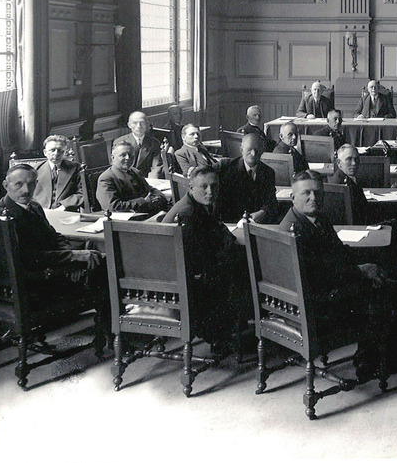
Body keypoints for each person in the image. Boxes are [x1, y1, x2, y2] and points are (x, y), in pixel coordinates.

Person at [279, 170, 397, 375]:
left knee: (385, 282)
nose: (314, 198)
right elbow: (319, 276)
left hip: (321, 291)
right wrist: (361, 271)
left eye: (318, 193)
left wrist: (367, 264)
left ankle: (376, 354)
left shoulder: (318, 219)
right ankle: (371, 361)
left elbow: (338, 254)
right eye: (306, 193)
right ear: (293, 197)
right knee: (387, 290)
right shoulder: (293, 231)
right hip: (315, 305)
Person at [162, 166, 251, 349]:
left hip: (192, 268)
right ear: (191, 187)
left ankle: (233, 326)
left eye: (214, 186)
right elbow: (202, 256)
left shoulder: (200, 204)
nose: (210, 192)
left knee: (240, 260)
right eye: (204, 187)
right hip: (181, 278)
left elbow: (218, 232)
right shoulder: (187, 213)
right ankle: (219, 335)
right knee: (240, 266)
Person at [0, 164, 105, 276]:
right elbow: (26, 259)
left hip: (52, 264)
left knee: (99, 258)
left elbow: (54, 236)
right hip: (33, 276)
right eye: (18, 184)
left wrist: (72, 259)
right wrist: (72, 256)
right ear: (6, 185)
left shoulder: (35, 206)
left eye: (31, 184)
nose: (26, 190)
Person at [216, 133, 278, 223]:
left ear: (263, 150)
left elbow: (271, 201)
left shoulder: (268, 172)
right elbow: (202, 173)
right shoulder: (225, 167)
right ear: (241, 150)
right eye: (249, 150)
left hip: (256, 224)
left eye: (257, 150)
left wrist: (263, 211)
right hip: (229, 222)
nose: (253, 153)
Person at [96, 140, 170, 214]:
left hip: (147, 212)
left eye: (130, 155)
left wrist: (159, 196)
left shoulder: (135, 171)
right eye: (123, 155)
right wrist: (144, 201)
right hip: (130, 218)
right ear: (113, 158)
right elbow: (112, 207)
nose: (128, 158)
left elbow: (150, 189)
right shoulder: (106, 178)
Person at [32, 134, 83, 210]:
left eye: (60, 150)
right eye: (52, 150)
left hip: (66, 212)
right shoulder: (34, 170)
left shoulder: (77, 168)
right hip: (40, 211)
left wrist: (64, 206)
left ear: (65, 152)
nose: (56, 153)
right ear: (45, 152)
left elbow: (82, 193)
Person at [329, 143, 369, 225]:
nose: (354, 163)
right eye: (349, 159)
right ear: (339, 162)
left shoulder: (349, 179)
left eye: (356, 159)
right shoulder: (340, 185)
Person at [117, 110, 164, 179]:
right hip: (126, 179)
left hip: (146, 180)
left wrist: (151, 183)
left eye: (142, 123)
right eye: (135, 123)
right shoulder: (119, 142)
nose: (139, 126)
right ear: (129, 125)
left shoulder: (154, 143)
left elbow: (156, 167)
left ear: (147, 124)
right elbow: (118, 167)